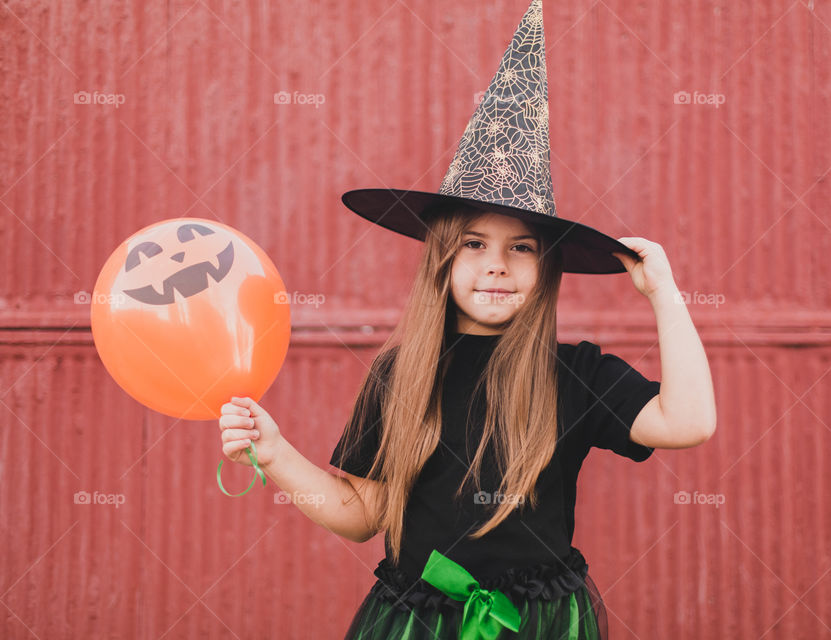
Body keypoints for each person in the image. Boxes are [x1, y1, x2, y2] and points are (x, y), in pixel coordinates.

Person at [220, 2, 715, 637]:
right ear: (443, 261)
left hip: (537, 624)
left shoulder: (576, 374)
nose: (497, 266)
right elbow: (362, 512)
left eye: (522, 247)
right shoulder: (403, 374)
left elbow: (690, 422)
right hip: (419, 623)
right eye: (474, 244)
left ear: (547, 268)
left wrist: (663, 293)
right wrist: (276, 453)